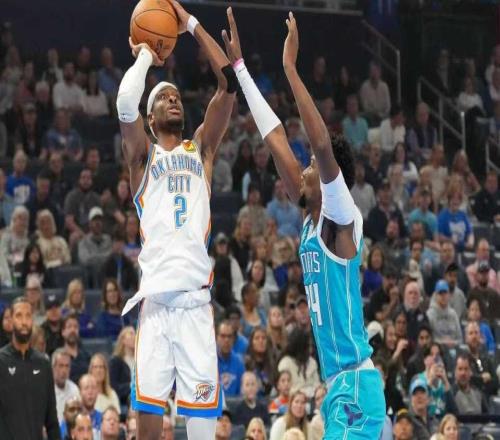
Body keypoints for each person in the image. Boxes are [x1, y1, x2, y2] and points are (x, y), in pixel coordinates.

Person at [222, 8, 385, 438]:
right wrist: (240, 68)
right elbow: (275, 138)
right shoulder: (312, 219)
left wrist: (290, 69)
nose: (305, 168)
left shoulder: (341, 217)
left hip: (355, 384)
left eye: (310, 165)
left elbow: (322, 145)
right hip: (339, 386)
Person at [116, 2, 237, 438]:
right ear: (150, 118)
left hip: (196, 305)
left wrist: (190, 24)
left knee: (202, 431)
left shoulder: (201, 150)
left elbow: (228, 83)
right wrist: (147, 55)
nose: (172, 100)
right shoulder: (142, 158)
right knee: (148, 428)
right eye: (163, 98)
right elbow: (124, 102)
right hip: (155, 306)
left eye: (176, 97)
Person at [0, 296, 60, 439]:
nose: (24, 322)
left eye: (28, 316)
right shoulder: (1, 361)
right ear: (11, 320)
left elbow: (51, 421)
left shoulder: (43, 364)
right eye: (19, 316)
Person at [109, 326, 135, 410]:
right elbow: (113, 387)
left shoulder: (141, 361)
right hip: (123, 402)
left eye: (135, 334)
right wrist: (132, 386)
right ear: (123, 340)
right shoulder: (115, 361)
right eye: (131, 334)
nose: (135, 336)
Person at [52, 348, 80, 423]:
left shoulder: (74, 389)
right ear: (53, 367)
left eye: (67, 366)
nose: (64, 370)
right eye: (61, 366)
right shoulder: (45, 389)